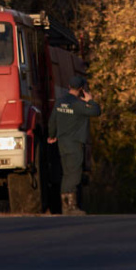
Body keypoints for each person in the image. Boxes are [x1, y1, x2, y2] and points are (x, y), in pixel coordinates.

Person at [47, 75, 101, 215]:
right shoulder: (79, 104)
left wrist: (52, 135)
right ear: (81, 89)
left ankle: (65, 206)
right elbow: (96, 111)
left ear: (69, 87)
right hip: (75, 143)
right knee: (75, 175)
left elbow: (52, 121)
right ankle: (71, 207)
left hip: (62, 144)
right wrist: (91, 100)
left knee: (66, 174)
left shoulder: (59, 102)